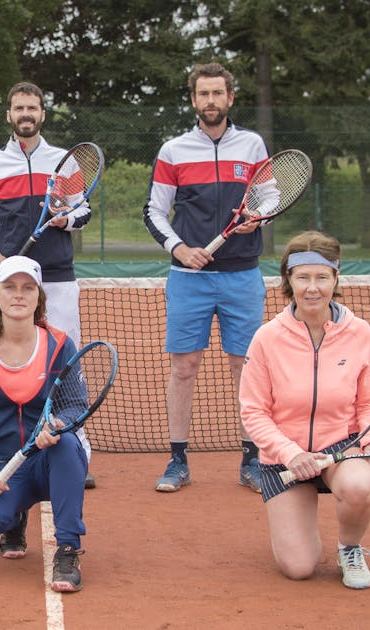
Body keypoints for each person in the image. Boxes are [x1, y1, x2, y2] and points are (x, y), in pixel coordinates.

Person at [0, 80, 97, 491]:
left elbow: (84, 210)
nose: (26, 114)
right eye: (19, 108)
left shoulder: (65, 162)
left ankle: (75, 446)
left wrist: (65, 219)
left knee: (65, 361)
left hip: (56, 278)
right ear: (9, 114)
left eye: (32, 108)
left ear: (42, 113)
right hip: (4, 280)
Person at [239, 231, 370, 589]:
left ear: (336, 278)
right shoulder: (267, 337)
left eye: (322, 277)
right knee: (299, 567)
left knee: (360, 485)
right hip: (285, 461)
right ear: (288, 280)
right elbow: (254, 411)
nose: (312, 288)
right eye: (303, 277)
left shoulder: (359, 333)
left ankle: (349, 547)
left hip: (343, 448)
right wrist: (291, 454)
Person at [142, 62, 264, 493]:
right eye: (203, 94)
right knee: (184, 368)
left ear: (230, 97)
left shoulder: (252, 146)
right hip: (187, 278)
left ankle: (252, 460)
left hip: (243, 276)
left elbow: (268, 197)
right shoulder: (173, 150)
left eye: (218, 93)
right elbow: (154, 211)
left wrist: (256, 218)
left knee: (245, 368)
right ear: (193, 100)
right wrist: (178, 248)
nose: (210, 101)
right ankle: (177, 461)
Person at [0, 256, 88, 592]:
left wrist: (55, 425)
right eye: (9, 287)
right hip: (4, 466)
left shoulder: (59, 345)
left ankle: (68, 548)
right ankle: (14, 518)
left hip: (52, 458)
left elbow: (75, 405)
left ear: (39, 297)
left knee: (68, 444)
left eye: (28, 288)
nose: (18, 294)